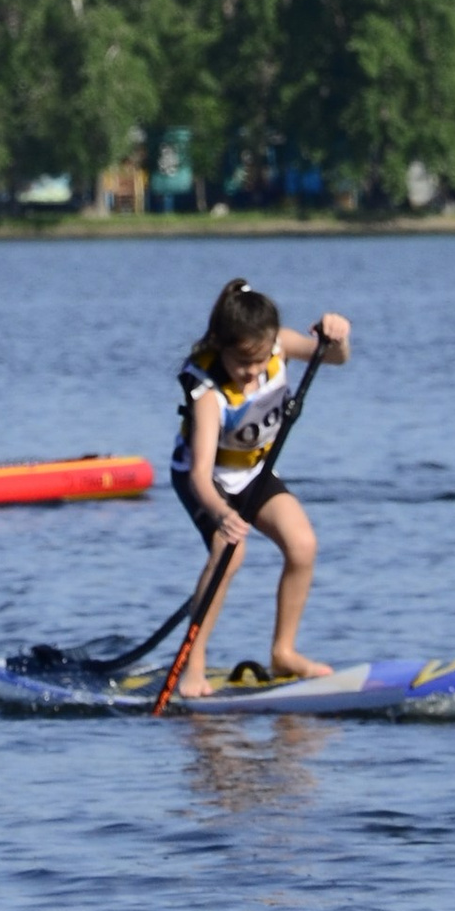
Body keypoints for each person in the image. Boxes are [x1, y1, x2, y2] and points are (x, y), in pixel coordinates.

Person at [168, 276, 349, 693]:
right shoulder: (208, 390)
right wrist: (221, 514)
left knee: (302, 545)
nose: (251, 373)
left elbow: (336, 358)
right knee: (229, 555)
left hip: (254, 472)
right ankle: (191, 665)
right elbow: (198, 475)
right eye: (241, 364)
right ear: (220, 347)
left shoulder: (279, 342)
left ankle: (283, 652)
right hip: (206, 480)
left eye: (259, 360)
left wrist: (336, 335)